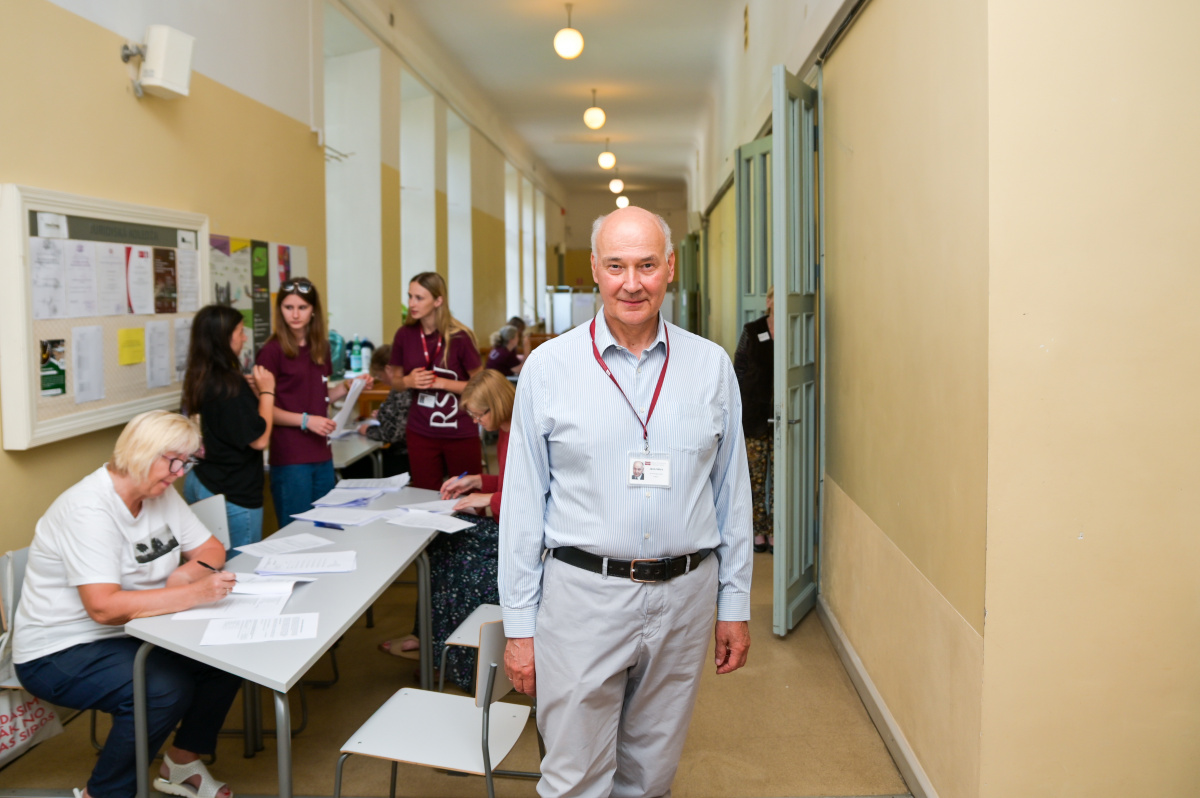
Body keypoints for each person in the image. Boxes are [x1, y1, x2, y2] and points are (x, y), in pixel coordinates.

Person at [499, 206, 754, 797]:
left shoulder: (711, 367)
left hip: (684, 599)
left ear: (670, 267)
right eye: (616, 266)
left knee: (650, 776)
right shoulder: (549, 368)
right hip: (582, 598)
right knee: (574, 779)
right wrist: (519, 626)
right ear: (594, 268)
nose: (631, 283)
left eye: (646, 265)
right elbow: (522, 506)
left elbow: (731, 493)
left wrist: (734, 603)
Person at [12, 410, 241, 798]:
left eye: (186, 462)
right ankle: (103, 793)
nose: (179, 473)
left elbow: (211, 548)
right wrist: (193, 594)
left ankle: (180, 763)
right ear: (142, 452)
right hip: (58, 649)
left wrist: (186, 576)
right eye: (173, 461)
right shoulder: (89, 509)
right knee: (163, 689)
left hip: (132, 628)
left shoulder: (159, 493)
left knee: (227, 655)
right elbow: (103, 608)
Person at [379, 370, 515, 677]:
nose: (476, 422)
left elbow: (531, 499)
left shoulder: (520, 434)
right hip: (506, 525)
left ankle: (446, 655)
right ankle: (431, 641)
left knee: (451, 555)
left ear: (497, 405)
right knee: (440, 543)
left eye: (478, 415)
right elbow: (510, 483)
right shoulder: (506, 431)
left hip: (517, 535)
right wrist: (478, 481)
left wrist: (487, 498)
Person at [257, 278, 371, 526]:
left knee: (327, 527)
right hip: (291, 458)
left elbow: (319, 395)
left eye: (302, 307)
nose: (295, 315)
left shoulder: (321, 347)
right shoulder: (271, 351)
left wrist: (349, 386)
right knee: (297, 530)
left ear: (313, 311)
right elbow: (264, 410)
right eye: (288, 307)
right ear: (280, 310)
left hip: (322, 453)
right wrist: (306, 421)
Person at [182, 304, 275, 549]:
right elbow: (259, 440)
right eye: (240, 332)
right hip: (232, 491)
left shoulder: (198, 376)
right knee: (239, 567)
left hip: (201, 481)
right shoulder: (230, 385)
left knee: (207, 561)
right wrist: (267, 391)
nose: (244, 338)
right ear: (224, 338)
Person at [388, 272, 481, 490]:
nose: (411, 303)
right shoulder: (404, 335)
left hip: (459, 430)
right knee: (424, 495)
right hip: (421, 431)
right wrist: (408, 381)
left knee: (467, 494)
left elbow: (481, 385)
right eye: (410, 296)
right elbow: (395, 381)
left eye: (419, 298)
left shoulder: (460, 336)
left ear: (438, 300)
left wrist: (442, 383)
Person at [733, 291, 775, 552]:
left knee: (781, 479)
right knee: (755, 478)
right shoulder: (753, 330)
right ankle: (758, 530)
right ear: (769, 301)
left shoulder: (794, 328)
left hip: (783, 417)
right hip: (754, 415)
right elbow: (738, 367)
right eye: (775, 297)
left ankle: (776, 530)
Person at [345, 345, 411, 478]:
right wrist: (382, 415)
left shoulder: (402, 388)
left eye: (380, 376)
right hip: (405, 453)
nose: (382, 381)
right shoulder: (402, 385)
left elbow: (394, 434)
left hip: (404, 457)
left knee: (350, 469)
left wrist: (368, 430)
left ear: (388, 370)